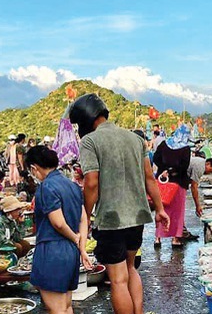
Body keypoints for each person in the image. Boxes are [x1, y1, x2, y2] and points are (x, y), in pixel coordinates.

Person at [70, 93, 170, 314]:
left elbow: (92, 183)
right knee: (131, 269)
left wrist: (85, 214)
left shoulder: (90, 141)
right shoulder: (135, 138)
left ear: (86, 118)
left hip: (111, 219)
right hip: (137, 217)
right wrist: (161, 209)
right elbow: (149, 177)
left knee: (117, 280)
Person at [25, 146, 92, 314]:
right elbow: (84, 219)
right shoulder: (73, 186)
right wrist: (81, 248)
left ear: (34, 168)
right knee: (66, 307)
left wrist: (74, 238)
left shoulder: (46, 187)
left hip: (52, 251)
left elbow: (58, 223)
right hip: (70, 253)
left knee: (56, 309)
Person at [152, 125, 212, 247]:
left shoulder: (164, 144)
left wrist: (165, 169)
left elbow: (155, 158)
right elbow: (184, 166)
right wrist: (171, 171)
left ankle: (157, 238)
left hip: (163, 182)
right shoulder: (185, 149)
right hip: (178, 183)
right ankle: (175, 239)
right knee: (177, 212)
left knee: (161, 209)